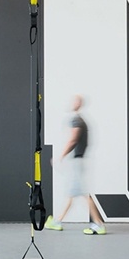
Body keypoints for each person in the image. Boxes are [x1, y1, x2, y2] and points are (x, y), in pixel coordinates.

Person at [45, 95, 106, 235]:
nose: (73, 103)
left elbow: (73, 140)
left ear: (79, 104)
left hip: (77, 162)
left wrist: (61, 156)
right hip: (78, 161)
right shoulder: (80, 120)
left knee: (82, 194)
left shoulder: (77, 121)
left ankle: (98, 224)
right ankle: (57, 221)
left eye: (76, 101)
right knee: (72, 193)